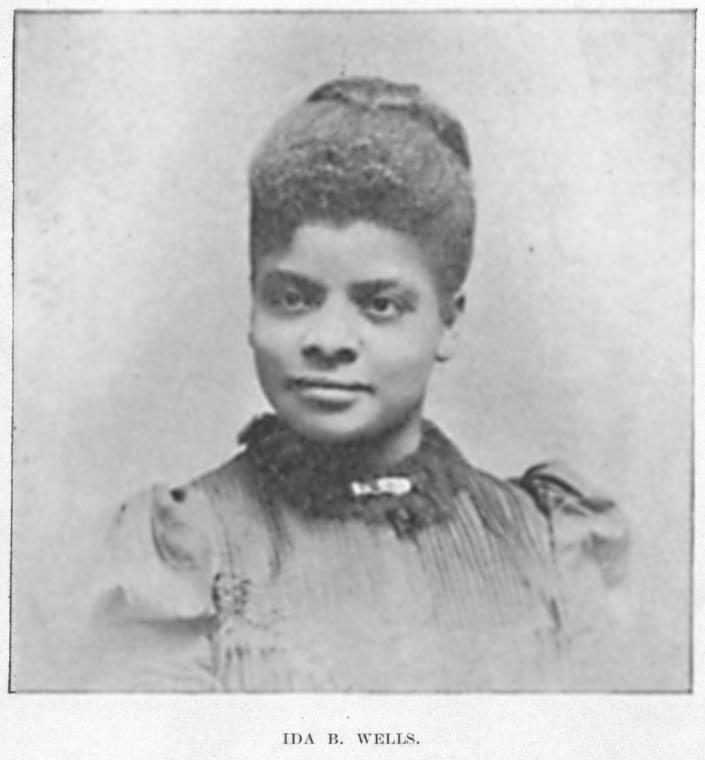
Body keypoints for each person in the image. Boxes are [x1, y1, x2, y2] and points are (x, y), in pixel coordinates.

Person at [71, 77, 629, 691]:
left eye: (381, 304)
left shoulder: (547, 541)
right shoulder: (183, 553)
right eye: (292, 298)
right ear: (253, 303)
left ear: (448, 320)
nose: (329, 339)